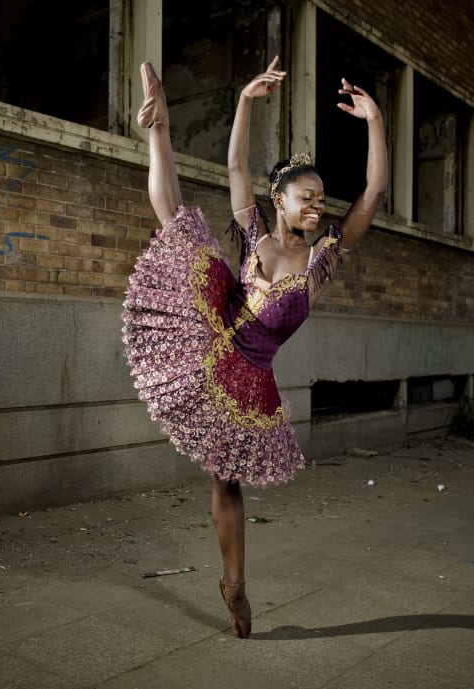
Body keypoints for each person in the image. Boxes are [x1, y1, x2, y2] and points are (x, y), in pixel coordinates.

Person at [121, 56, 387, 639]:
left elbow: (373, 192)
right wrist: (244, 99)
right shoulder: (254, 236)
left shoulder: (322, 261)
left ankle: (233, 583)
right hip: (214, 330)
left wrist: (374, 121)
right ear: (281, 200)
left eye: (321, 199)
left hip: (252, 375)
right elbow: (236, 164)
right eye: (307, 197)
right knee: (177, 223)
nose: (318, 206)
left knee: (226, 478)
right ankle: (159, 127)